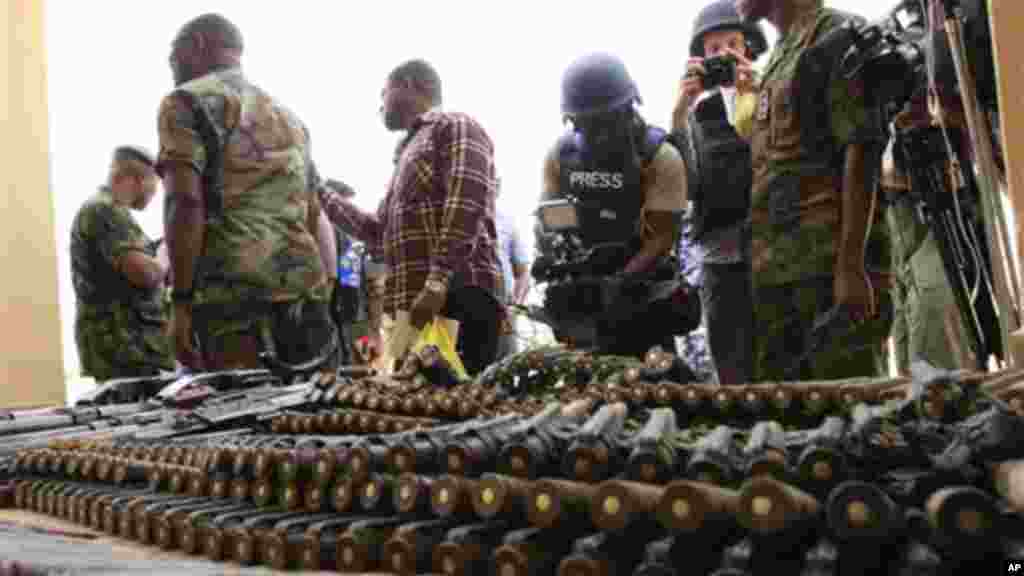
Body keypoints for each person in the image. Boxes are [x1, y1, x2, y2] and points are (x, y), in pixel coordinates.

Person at [157, 13, 337, 372]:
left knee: (239, 419)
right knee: (311, 414)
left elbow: (184, 200)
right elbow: (313, 211)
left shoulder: (184, 102)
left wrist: (180, 302)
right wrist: (326, 289)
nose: (171, 68)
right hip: (305, 295)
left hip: (233, 300)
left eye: (173, 58)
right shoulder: (290, 118)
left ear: (197, 46)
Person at [735, 0, 894, 381]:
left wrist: (851, 268)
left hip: (827, 272)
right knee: (789, 420)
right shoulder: (780, 54)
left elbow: (863, 147)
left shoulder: (837, 35)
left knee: (854, 415)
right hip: (778, 273)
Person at [319, 59, 504, 377]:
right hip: (411, 310)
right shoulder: (406, 154)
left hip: (452, 296)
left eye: (384, 93)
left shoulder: (454, 125)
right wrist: (319, 191)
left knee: (459, 404)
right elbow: (377, 232)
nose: (380, 105)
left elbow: (466, 202)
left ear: (408, 85)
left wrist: (437, 282)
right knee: (406, 401)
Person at [538, 52, 695, 359]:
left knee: (654, 386)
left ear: (629, 108)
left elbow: (663, 237)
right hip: (583, 298)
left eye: (607, 122)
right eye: (588, 125)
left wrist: (619, 283)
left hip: (641, 289)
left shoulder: (659, 156)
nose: (600, 135)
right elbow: (552, 215)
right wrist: (561, 257)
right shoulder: (561, 155)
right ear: (572, 120)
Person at [671, 0, 768, 384]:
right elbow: (685, 183)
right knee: (732, 367)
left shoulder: (772, 90)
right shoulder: (696, 115)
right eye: (713, 50)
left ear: (748, 47)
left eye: (732, 44)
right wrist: (680, 111)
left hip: (771, 248)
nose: (724, 54)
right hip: (719, 256)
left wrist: (758, 92)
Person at [71, 145, 175, 382]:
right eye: (155, 183)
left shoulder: (105, 210)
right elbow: (145, 274)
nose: (155, 192)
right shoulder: (105, 210)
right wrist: (166, 253)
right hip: (125, 348)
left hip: (127, 347)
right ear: (139, 179)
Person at [494, 177, 531, 359]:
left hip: (503, 309)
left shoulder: (507, 220)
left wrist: (515, 308)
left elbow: (523, 272)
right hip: (465, 307)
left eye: (495, 183)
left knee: (503, 367)